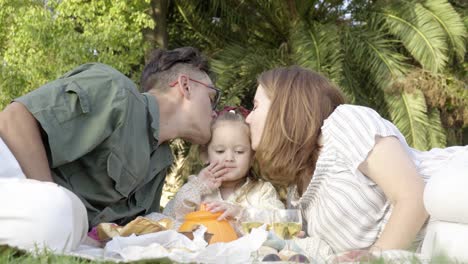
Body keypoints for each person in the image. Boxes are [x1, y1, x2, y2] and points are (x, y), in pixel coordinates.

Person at [0, 46, 221, 251]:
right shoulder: (114, 90)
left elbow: (133, 231)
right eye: (212, 97)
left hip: (48, 225)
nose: (214, 111)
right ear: (185, 86)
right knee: (61, 212)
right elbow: (14, 119)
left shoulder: (161, 163)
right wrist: (48, 201)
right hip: (10, 179)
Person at [243, 65, 468, 261]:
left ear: (285, 107)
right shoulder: (299, 193)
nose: (248, 118)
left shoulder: (342, 125)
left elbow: (413, 197)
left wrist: (375, 257)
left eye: (255, 106)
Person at [163, 107, 284, 227]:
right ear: (205, 155)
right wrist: (197, 187)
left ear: (252, 157)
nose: (229, 158)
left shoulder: (262, 192)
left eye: (239, 151)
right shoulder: (197, 192)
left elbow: (281, 222)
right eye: (220, 151)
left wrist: (241, 213)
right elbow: (170, 219)